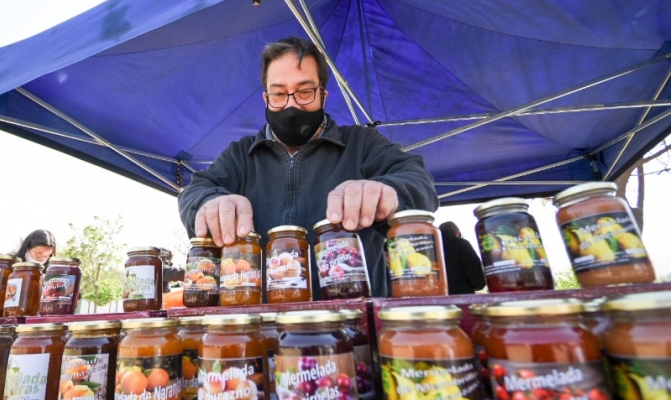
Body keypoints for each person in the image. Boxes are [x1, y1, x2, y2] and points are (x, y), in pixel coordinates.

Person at [178, 36, 439, 298]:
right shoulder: (240, 154)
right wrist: (208, 203)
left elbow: (419, 181)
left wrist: (388, 192)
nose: (291, 105)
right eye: (279, 94)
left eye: (304, 92)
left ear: (323, 95)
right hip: (260, 326)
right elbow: (196, 189)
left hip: (355, 320)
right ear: (266, 98)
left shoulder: (362, 143)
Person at [438, 221, 486, 295]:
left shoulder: (432, 248)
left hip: (438, 297)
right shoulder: (462, 244)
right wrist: (479, 285)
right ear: (457, 233)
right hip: (462, 296)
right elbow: (475, 274)